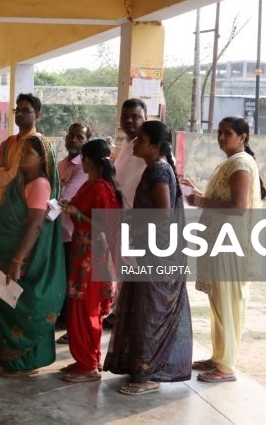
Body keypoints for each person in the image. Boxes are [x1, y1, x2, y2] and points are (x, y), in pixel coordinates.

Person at [103, 121, 193, 395]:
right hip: (150, 252)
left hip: (157, 255)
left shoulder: (159, 170)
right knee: (141, 307)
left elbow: (162, 214)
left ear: (154, 145)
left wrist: (132, 228)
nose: (135, 145)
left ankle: (148, 375)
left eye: (141, 140)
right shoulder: (156, 168)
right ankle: (140, 367)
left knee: (150, 312)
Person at [181, 116, 266, 383]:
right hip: (220, 241)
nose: (221, 137)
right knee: (218, 301)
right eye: (219, 132)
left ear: (243, 137)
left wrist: (201, 201)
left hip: (229, 244)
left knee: (228, 303)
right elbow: (225, 199)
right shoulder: (233, 162)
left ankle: (226, 367)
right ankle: (218, 357)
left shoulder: (240, 164)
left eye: (227, 133)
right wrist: (198, 193)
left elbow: (239, 207)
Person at [0, 136, 66, 377]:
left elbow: (35, 225)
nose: (22, 155)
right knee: (5, 304)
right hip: (3, 256)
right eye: (22, 151)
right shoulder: (21, 180)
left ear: (42, 159)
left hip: (21, 259)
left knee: (20, 309)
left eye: (28, 153)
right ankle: (10, 357)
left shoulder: (40, 185)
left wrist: (17, 261)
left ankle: (25, 362)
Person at [57, 139, 121, 383]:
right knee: (79, 309)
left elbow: (106, 225)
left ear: (88, 161)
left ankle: (88, 367)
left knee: (87, 311)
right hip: (83, 252)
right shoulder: (90, 184)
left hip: (93, 256)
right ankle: (86, 359)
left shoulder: (101, 188)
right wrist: (70, 208)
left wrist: (78, 214)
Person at [104, 98, 148, 330]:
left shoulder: (148, 148)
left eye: (136, 116)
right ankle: (119, 312)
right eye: (125, 116)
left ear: (145, 119)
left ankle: (131, 316)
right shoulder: (126, 144)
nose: (129, 120)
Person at [55, 123, 91, 341]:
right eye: (71, 135)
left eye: (80, 136)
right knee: (61, 277)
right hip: (56, 232)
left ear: (87, 141)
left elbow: (64, 197)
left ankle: (70, 324)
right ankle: (62, 318)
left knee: (71, 280)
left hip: (71, 233)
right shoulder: (61, 164)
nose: (74, 139)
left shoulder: (84, 169)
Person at [0, 93, 42, 204]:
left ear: (37, 116)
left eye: (25, 111)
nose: (19, 113)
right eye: (17, 110)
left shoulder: (37, 144)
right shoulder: (8, 143)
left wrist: (1, 172)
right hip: (2, 204)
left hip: (21, 206)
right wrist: (4, 175)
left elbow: (15, 179)